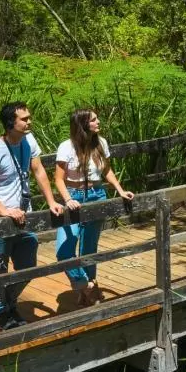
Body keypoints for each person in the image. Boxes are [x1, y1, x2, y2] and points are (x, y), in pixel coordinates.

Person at [0, 101, 64, 330]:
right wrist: (4, 211)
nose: (29, 122)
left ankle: (10, 302)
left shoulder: (28, 141)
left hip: (24, 217)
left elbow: (39, 170)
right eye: (24, 119)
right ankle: (1, 312)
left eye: (29, 117)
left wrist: (51, 201)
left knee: (28, 267)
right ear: (10, 123)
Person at [54, 109, 135, 306]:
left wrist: (120, 190)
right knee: (64, 250)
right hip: (74, 196)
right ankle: (87, 284)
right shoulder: (67, 147)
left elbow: (106, 170)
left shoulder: (101, 143)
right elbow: (58, 179)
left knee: (89, 247)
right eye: (94, 119)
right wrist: (67, 199)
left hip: (97, 195)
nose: (98, 121)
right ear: (83, 124)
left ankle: (85, 295)